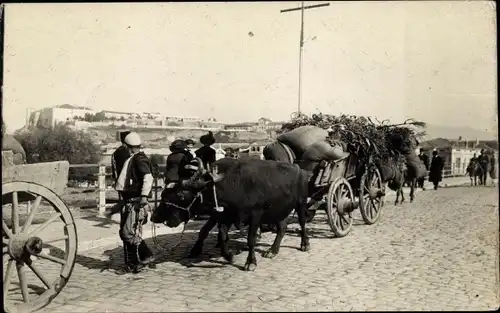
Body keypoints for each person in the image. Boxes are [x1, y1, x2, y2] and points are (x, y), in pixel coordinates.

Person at [114, 132, 155, 275]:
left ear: (127, 146)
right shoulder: (135, 158)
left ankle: (144, 256)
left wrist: (143, 196)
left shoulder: (139, 159)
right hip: (130, 201)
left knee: (127, 233)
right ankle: (135, 262)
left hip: (135, 201)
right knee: (127, 232)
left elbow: (148, 177)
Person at [105, 131, 131, 218]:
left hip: (119, 179)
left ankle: (116, 212)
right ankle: (114, 211)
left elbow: (114, 167)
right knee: (129, 200)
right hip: (128, 179)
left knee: (125, 199)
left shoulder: (116, 152)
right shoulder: (128, 152)